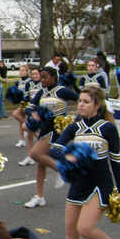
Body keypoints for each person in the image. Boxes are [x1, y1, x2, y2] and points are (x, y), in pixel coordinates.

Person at [49, 86, 120, 239]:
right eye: (80, 101)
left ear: (97, 104)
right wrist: (68, 156)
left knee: (84, 228)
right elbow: (53, 149)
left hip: (100, 183)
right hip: (79, 182)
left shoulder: (108, 128)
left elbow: (115, 160)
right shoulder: (74, 128)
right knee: (70, 230)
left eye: (86, 101)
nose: (81, 105)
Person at [23, 67, 80, 208]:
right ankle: (39, 196)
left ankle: (61, 169)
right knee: (40, 164)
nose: (43, 80)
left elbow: (81, 99)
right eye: (41, 77)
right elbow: (29, 108)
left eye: (45, 77)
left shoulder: (62, 91)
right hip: (44, 129)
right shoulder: (42, 92)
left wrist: (77, 119)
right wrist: (34, 115)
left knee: (35, 154)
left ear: (54, 77)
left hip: (57, 130)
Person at [11, 65, 31, 148]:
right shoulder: (18, 82)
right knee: (20, 121)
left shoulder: (30, 81)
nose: (21, 72)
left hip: (28, 103)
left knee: (16, 114)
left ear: (27, 71)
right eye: (20, 70)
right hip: (21, 103)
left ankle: (27, 126)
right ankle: (22, 140)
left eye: (23, 70)